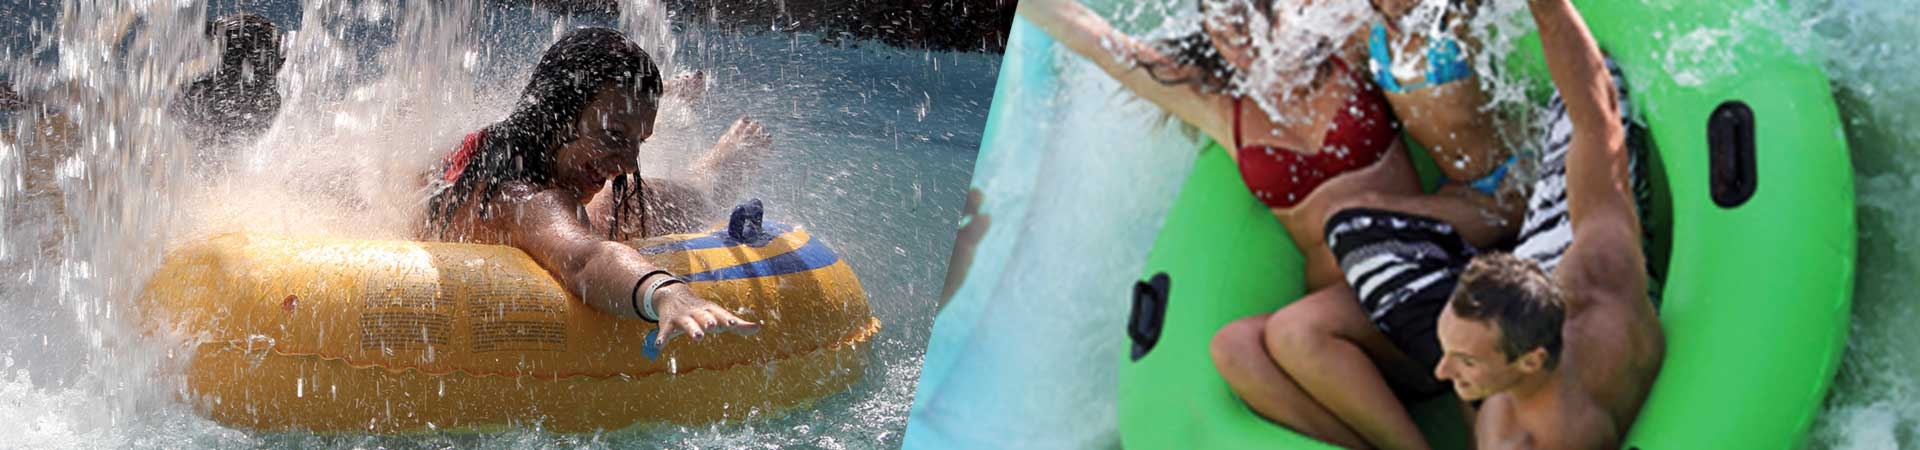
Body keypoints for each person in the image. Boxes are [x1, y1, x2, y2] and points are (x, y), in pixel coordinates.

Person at [421, 26, 764, 347]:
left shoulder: (501, 145)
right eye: (615, 134)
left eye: (639, 141)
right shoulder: (526, 199)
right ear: (555, 113)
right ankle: (710, 177)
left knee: (628, 195)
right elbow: (586, 259)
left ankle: (688, 151)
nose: (629, 163)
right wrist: (666, 292)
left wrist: (616, 129)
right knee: (623, 206)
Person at [1430, 0, 1663, 447]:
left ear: (1531, 360)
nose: (1442, 371)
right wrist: (1548, 11)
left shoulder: (1522, 436)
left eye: (1465, 361)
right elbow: (1596, 119)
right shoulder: (1604, 270)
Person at [171, 13, 285, 148]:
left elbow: (230, 81)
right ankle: (221, 138)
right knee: (253, 92)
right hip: (253, 35)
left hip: (245, 33)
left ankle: (219, 138)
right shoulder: (238, 34)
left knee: (234, 89)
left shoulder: (231, 34)